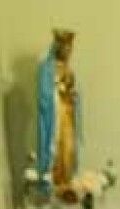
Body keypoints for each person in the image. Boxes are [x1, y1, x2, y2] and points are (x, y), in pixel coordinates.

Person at [37, 29, 81, 190]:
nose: (68, 52)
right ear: (57, 47)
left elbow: (74, 92)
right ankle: (52, 182)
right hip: (54, 116)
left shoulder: (69, 69)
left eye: (70, 49)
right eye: (65, 48)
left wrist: (74, 96)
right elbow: (43, 96)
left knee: (68, 148)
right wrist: (57, 91)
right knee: (54, 147)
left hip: (67, 115)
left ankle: (67, 181)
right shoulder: (46, 68)